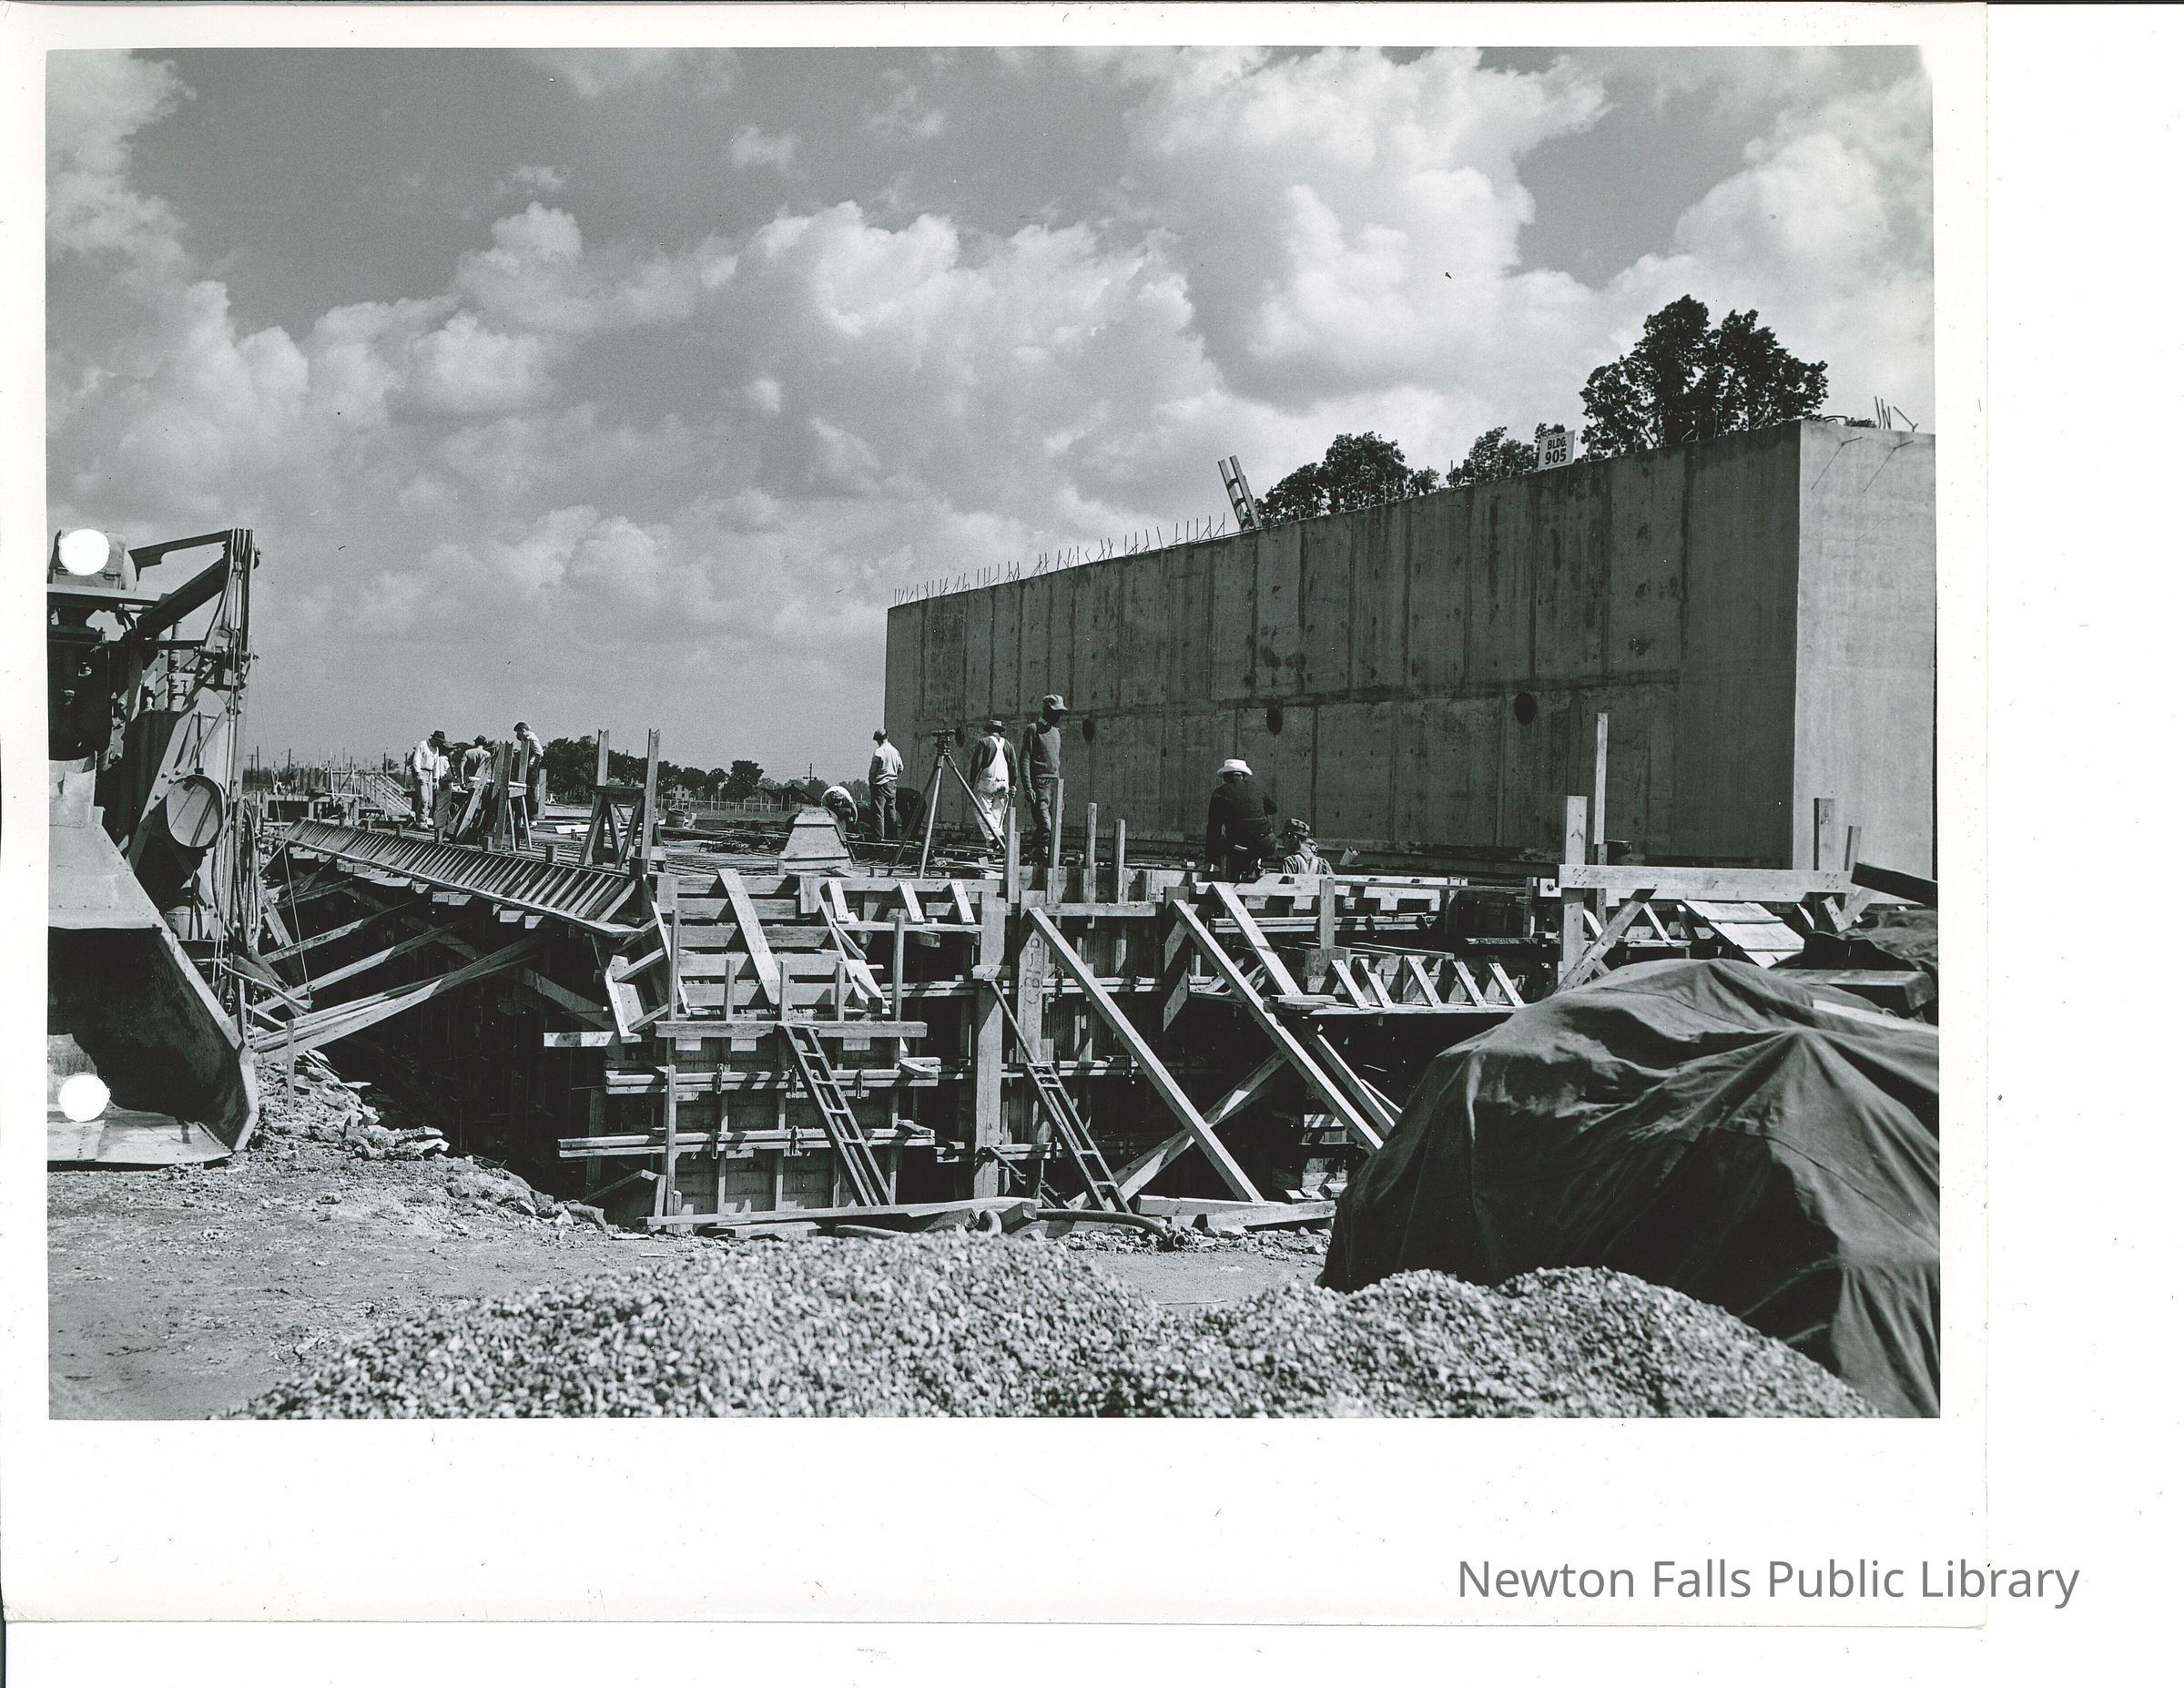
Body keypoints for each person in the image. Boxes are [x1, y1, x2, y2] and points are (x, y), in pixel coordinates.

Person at [1205, 757, 1277, 881]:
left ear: (1225, 777)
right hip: (1267, 844)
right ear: (1243, 776)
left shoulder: (1220, 793)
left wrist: (1210, 858)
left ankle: (1232, 877)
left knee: (1226, 845)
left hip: (1239, 846)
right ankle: (1255, 864)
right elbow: (1273, 809)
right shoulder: (1256, 789)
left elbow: (1213, 828)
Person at [1020, 693, 1068, 859]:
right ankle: (1038, 852)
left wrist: (1060, 794)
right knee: (1046, 824)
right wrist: (1028, 787)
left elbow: (1055, 762)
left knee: (1053, 825)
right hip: (1040, 784)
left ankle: (1036, 853)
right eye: (1056, 712)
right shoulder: (1033, 729)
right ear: (1047, 710)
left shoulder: (1056, 733)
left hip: (1055, 784)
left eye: (1060, 713)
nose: (1058, 716)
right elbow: (1024, 759)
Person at [966, 717, 1017, 847]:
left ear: (988, 730)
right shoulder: (1008, 744)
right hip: (1004, 782)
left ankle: (996, 836)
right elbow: (1013, 766)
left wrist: (972, 780)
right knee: (997, 813)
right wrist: (1013, 784)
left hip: (988, 781)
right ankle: (995, 843)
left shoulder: (985, 742)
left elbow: (976, 764)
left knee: (982, 811)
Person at [868, 729, 903, 841]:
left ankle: (879, 838)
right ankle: (892, 838)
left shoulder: (879, 751)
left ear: (878, 740)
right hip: (892, 785)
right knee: (891, 811)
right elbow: (901, 768)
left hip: (880, 785)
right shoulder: (895, 751)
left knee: (878, 813)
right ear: (887, 736)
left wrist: (871, 782)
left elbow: (872, 772)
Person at [408, 730, 447, 828]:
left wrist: (436, 780)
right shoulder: (423, 744)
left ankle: (422, 819)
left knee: (430, 803)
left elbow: (436, 765)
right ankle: (421, 821)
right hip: (421, 772)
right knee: (424, 799)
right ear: (434, 739)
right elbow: (416, 760)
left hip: (430, 774)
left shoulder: (436, 749)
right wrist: (418, 774)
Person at [513, 720, 547, 820]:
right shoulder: (527, 739)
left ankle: (533, 817)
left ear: (523, 730)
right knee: (527, 792)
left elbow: (539, 753)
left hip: (530, 770)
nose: (518, 735)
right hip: (527, 769)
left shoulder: (532, 739)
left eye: (518, 732)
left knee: (530, 793)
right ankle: (527, 817)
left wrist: (531, 765)